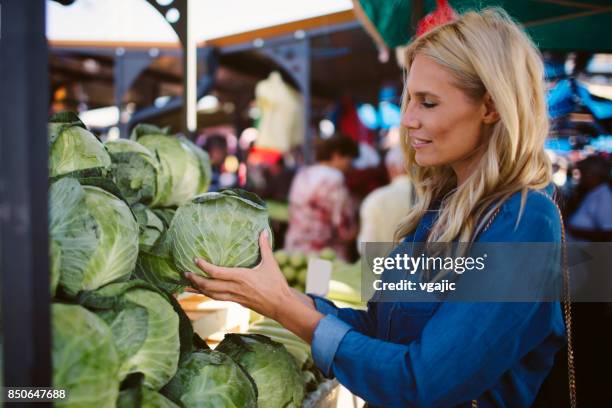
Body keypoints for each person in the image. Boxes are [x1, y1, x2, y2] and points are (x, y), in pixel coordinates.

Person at [186, 9, 569, 407]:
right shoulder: (443, 208)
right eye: (409, 100)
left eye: (428, 103)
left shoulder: (526, 223)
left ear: (490, 107)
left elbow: (422, 381)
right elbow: (380, 331)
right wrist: (281, 296)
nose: (407, 120)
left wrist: (283, 306)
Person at [283, 134, 360, 260]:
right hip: (322, 257)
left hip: (294, 252)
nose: (350, 166)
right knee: (318, 281)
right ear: (337, 155)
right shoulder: (334, 178)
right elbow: (345, 229)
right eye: (349, 159)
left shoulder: (303, 174)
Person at [358, 146, 415, 251]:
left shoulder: (375, 199)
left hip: (383, 265)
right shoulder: (432, 196)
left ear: (391, 167)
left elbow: (366, 247)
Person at [567, 155, 612, 242]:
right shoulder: (592, 192)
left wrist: (575, 231)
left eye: (583, 173)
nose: (581, 178)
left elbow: (609, 234)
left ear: (593, 174)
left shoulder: (604, 196)